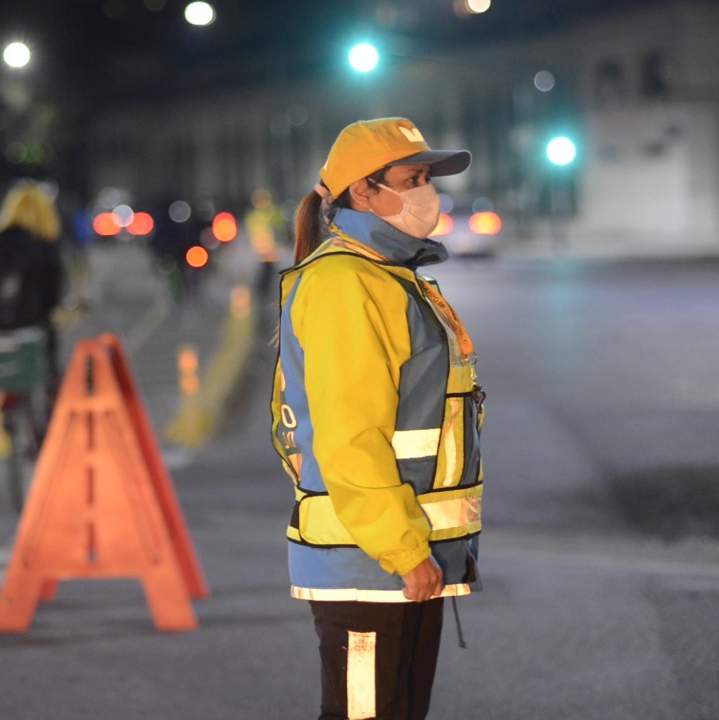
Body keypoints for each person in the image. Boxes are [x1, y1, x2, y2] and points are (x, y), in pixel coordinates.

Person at [271, 118, 484, 720]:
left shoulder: (387, 275)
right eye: (410, 179)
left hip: (403, 552)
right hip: (370, 560)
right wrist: (402, 549)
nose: (425, 193)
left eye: (425, 179)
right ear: (362, 191)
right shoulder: (346, 282)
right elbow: (347, 437)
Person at [0, 181, 66, 389]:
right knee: (50, 363)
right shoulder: (45, 244)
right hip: (32, 319)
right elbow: (53, 290)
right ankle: (50, 402)